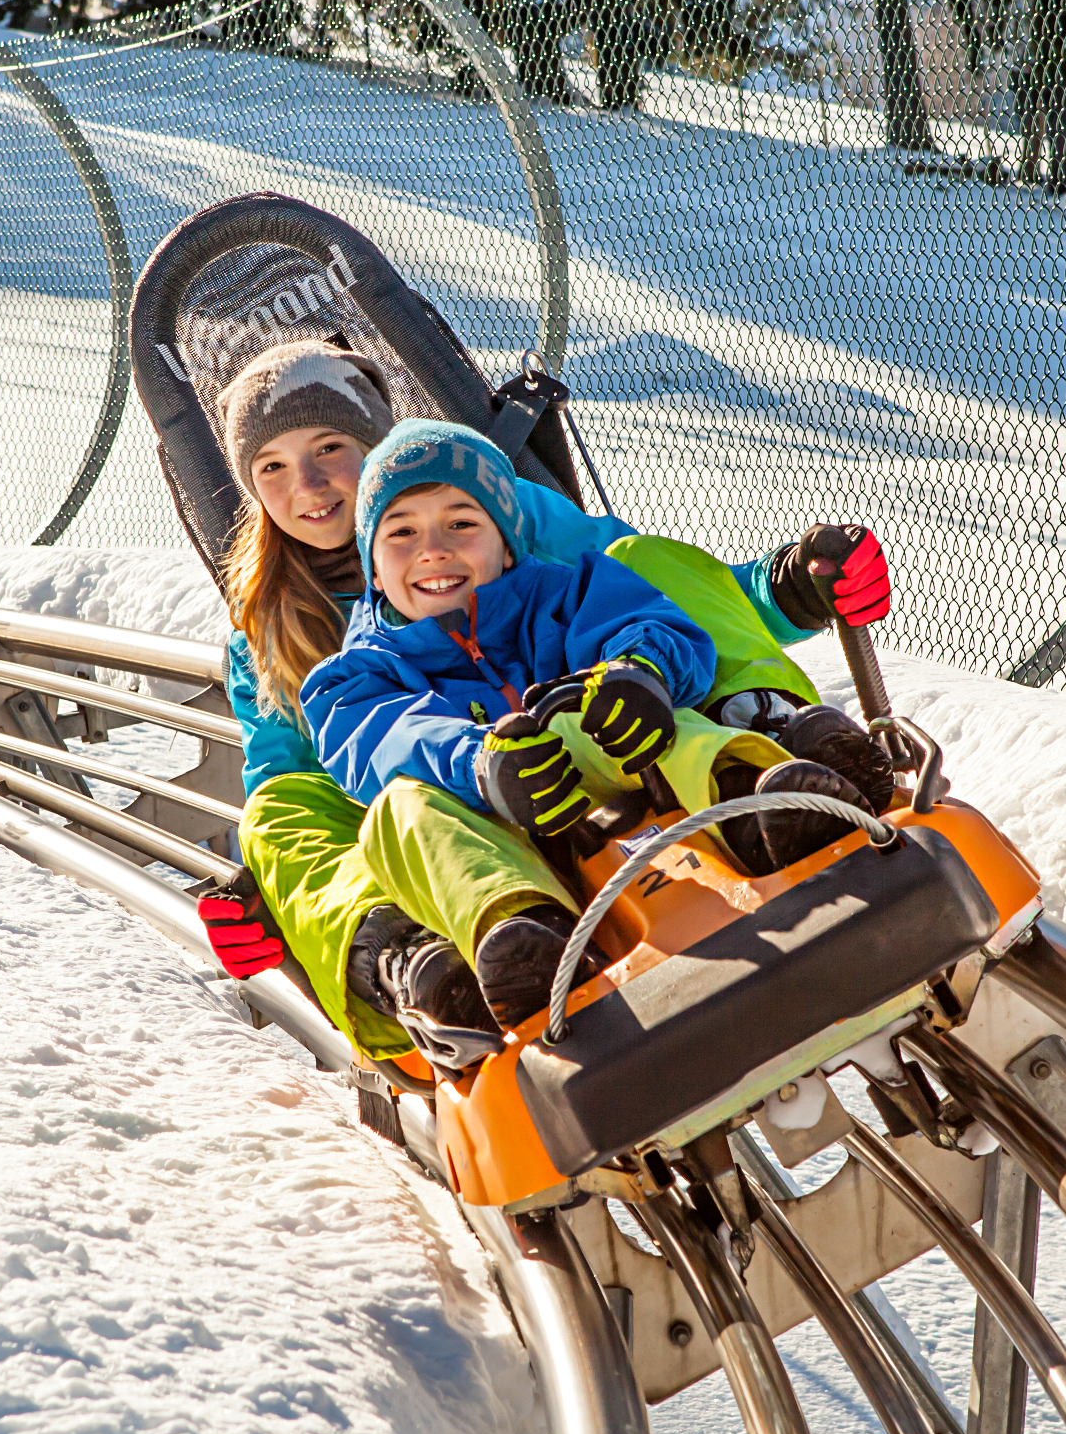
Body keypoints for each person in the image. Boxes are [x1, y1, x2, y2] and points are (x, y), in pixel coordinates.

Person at [190, 339, 894, 1057]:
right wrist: (271, 895)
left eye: (328, 447)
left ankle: (773, 737)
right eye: (270, 467)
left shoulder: (495, 506)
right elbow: (302, 777)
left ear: (378, 447)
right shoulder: (268, 636)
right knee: (276, 816)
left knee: (635, 564)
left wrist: (781, 590)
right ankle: (412, 964)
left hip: (600, 741)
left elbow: (641, 593)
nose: (305, 485)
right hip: (452, 804)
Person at [298, 420, 869, 1031]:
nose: (433, 549)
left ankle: (759, 798)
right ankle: (519, 934)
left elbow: (652, 620)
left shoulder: (568, 589)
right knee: (399, 812)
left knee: (646, 714)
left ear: (506, 542)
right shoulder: (352, 677)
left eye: (461, 523)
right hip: (503, 830)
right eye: (402, 533)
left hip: (628, 785)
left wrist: (640, 674)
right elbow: (384, 744)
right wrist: (480, 765)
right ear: (373, 570)